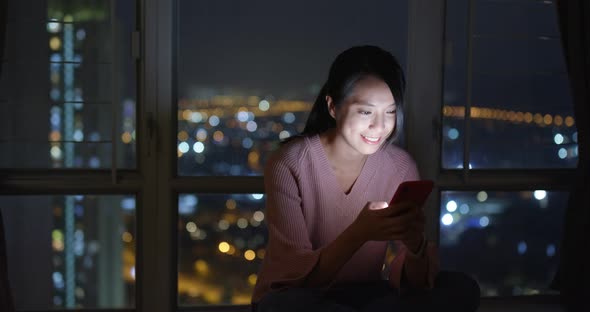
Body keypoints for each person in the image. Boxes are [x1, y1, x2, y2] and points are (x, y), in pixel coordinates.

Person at [251, 45, 480, 311]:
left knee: (461, 288)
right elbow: (297, 279)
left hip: (365, 294)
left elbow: (415, 284)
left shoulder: (399, 166)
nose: (380, 126)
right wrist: (360, 233)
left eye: (390, 112)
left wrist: (415, 244)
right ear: (332, 106)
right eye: (365, 111)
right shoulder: (290, 162)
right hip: (294, 296)